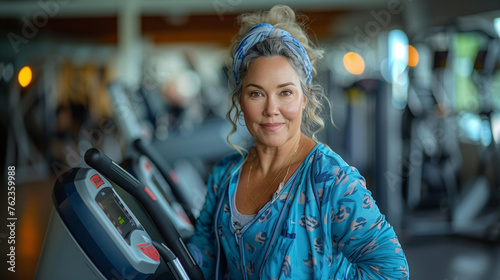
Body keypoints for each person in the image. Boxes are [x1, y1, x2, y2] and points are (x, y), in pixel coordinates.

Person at [188, 5, 409, 279]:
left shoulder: (330, 180)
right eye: (257, 94)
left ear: (304, 98)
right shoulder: (224, 176)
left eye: (285, 93)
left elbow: (391, 270)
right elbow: (201, 257)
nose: (271, 109)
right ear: (240, 100)